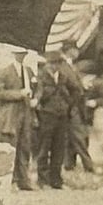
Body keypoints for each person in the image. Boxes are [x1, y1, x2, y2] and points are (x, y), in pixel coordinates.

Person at [0, 48, 39, 190]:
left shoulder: (29, 71)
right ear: (13, 53)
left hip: (25, 113)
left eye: (24, 53)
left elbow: (37, 88)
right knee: (10, 146)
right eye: (19, 53)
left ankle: (23, 180)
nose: (22, 56)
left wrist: (36, 98)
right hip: (10, 115)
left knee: (25, 146)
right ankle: (10, 181)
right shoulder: (5, 72)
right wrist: (19, 93)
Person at [35, 49, 76, 189]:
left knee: (59, 148)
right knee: (44, 148)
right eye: (52, 63)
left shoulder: (64, 77)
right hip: (46, 116)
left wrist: (68, 104)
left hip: (62, 116)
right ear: (47, 64)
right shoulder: (41, 77)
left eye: (58, 63)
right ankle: (42, 180)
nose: (55, 66)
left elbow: (76, 90)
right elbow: (39, 96)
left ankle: (56, 181)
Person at [61, 41, 95, 174]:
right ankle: (88, 166)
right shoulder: (64, 66)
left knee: (71, 138)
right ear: (69, 50)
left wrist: (82, 86)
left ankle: (69, 165)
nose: (77, 52)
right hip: (71, 107)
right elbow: (66, 87)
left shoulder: (70, 65)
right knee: (79, 136)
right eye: (75, 49)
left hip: (73, 106)